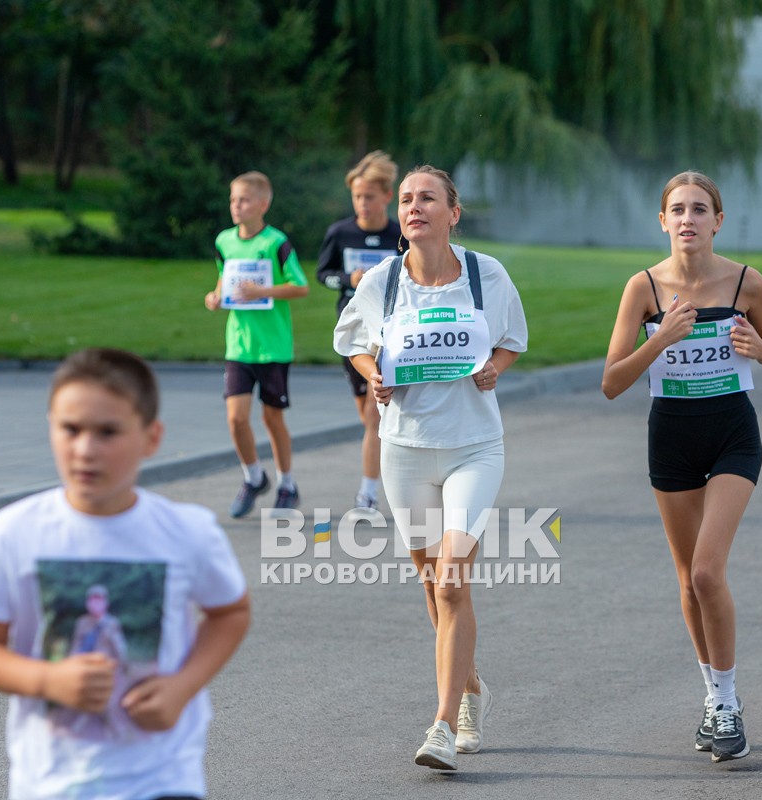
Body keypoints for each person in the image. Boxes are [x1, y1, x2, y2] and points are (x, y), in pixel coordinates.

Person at [0, 348, 250, 800]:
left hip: (162, 778)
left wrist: (181, 688)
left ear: (151, 438)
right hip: (51, 782)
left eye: (108, 432)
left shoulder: (186, 532)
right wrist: (48, 681)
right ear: (50, 427)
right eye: (70, 430)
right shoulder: (14, 532)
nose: (86, 449)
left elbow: (231, 612)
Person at [333, 166, 528, 771]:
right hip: (405, 450)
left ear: (453, 212)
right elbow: (351, 341)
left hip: (474, 446)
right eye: (407, 199)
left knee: (450, 581)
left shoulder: (484, 274)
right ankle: (470, 686)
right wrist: (374, 378)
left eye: (427, 199)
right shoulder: (383, 280)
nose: (414, 207)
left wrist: (494, 367)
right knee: (432, 584)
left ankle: (443, 724)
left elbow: (513, 338)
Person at [601, 171, 762, 763]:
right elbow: (611, 382)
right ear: (662, 221)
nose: (687, 219)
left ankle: (729, 703)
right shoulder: (644, 289)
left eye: (699, 209)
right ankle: (712, 698)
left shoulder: (745, 281)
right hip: (671, 438)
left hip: (732, 434)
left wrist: (761, 348)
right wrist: (663, 337)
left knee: (707, 572)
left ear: (717, 221)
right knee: (685, 580)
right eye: (676, 210)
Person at [204, 171, 310, 517]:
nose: (236, 206)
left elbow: (300, 286)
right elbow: (224, 277)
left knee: (272, 418)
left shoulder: (275, 243)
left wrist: (263, 291)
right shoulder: (224, 241)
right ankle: (253, 477)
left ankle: (287, 485)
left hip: (273, 347)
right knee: (235, 418)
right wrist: (216, 297)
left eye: (244, 200)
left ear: (263, 204)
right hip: (238, 345)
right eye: (233, 199)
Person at [316, 151, 401, 510]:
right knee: (372, 420)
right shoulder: (340, 233)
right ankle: (387, 473)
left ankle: (368, 492)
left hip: (393, 336)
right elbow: (323, 274)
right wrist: (346, 279)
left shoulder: (400, 234)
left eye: (369, 196)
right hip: (354, 336)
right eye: (357, 196)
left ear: (386, 196)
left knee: (373, 414)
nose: (363, 203)